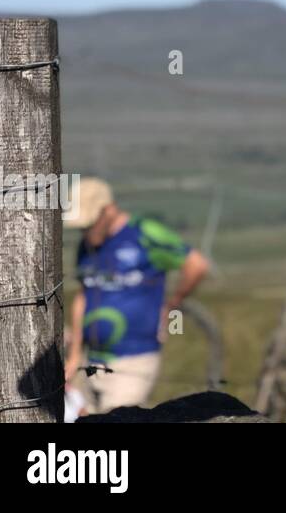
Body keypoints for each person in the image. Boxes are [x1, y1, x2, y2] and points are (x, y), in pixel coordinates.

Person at [63, 177, 210, 416]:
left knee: (117, 419)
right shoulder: (87, 246)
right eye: (81, 227)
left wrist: (171, 306)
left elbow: (196, 264)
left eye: (89, 224)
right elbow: (83, 296)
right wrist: (75, 355)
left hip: (134, 360)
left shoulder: (145, 233)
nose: (85, 232)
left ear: (108, 210)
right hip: (91, 360)